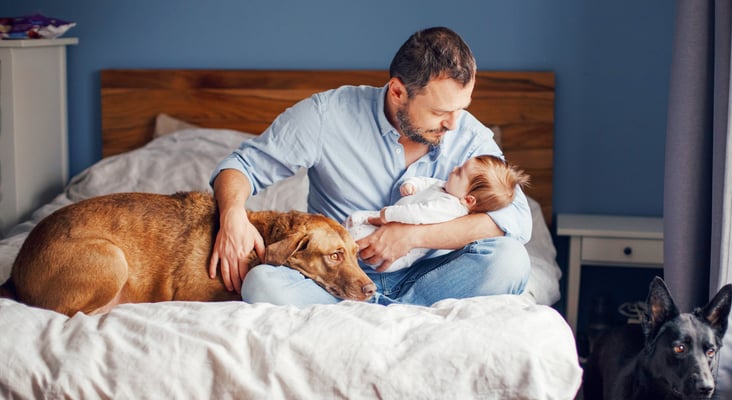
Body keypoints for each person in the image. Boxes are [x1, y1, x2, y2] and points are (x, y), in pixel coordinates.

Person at [208, 26, 533, 307]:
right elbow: (241, 167)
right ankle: (401, 313)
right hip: (335, 279)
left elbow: (516, 219)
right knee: (262, 283)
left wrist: (413, 236)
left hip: (431, 278)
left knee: (510, 260)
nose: (453, 124)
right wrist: (232, 215)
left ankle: (373, 315)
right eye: (439, 112)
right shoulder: (326, 116)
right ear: (398, 92)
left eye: (461, 108)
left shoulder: (470, 137)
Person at [346, 155, 529, 273]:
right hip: (389, 224)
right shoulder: (446, 187)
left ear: (468, 200)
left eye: (460, 173)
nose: (454, 169)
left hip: (399, 255)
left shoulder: (449, 207)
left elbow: (417, 214)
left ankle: (349, 253)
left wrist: (388, 214)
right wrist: (412, 184)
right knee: (355, 219)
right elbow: (427, 182)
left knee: (358, 234)